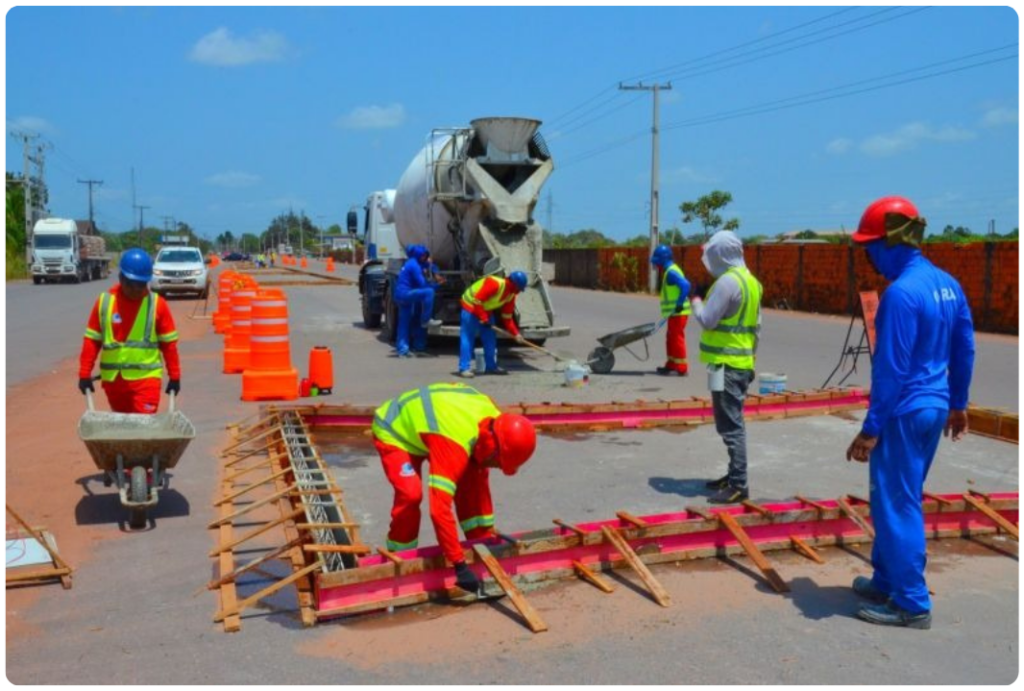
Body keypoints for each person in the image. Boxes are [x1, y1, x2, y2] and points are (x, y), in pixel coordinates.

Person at [845, 196, 975, 630]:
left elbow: (891, 367)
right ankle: (886, 579)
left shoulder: (901, 294)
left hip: (903, 411)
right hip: (934, 408)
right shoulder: (947, 284)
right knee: (897, 499)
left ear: (890, 243)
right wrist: (958, 403)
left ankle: (912, 602)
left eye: (870, 247)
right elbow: (965, 349)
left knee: (897, 504)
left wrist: (871, 427)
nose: (869, 257)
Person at [372, 382, 538, 595]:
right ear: (491, 447)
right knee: (411, 494)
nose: (496, 468)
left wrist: (484, 545)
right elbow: (439, 509)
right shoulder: (455, 442)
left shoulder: (495, 423)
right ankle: (400, 559)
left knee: (476, 473)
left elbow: (479, 489)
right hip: (396, 430)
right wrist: (459, 565)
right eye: (497, 462)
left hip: (435, 428)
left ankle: (479, 539)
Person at [689, 231, 763, 505]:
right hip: (733, 364)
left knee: (731, 425)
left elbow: (707, 320)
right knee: (726, 420)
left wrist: (695, 299)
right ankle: (733, 475)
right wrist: (751, 362)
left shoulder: (727, 283)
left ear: (719, 254)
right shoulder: (751, 282)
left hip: (726, 366)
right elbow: (757, 328)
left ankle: (739, 485)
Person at [78, 248, 181, 414]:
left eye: (140, 285)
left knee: (143, 427)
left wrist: (174, 376)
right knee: (124, 430)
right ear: (120, 278)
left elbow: (169, 345)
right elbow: (92, 340)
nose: (135, 290)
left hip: (147, 381)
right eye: (130, 284)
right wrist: (84, 373)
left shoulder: (157, 305)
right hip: (114, 383)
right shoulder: (105, 303)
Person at [458, 271, 528, 378]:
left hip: (485, 311)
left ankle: (491, 367)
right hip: (470, 307)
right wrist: (483, 318)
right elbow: (477, 300)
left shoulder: (510, 295)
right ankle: (464, 368)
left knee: (490, 338)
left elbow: (507, 317)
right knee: (467, 337)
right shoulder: (494, 283)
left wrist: (516, 334)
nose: (519, 292)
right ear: (514, 284)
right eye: (519, 289)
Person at [394, 245, 442, 358]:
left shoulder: (413, 262)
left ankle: (403, 350)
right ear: (418, 255)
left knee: (404, 323)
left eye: (426, 255)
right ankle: (426, 320)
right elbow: (423, 285)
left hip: (401, 295)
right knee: (429, 292)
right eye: (424, 255)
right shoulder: (414, 266)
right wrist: (437, 285)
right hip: (405, 294)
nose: (425, 257)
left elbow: (430, 265)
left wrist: (435, 271)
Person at [651, 244, 692, 377]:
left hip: (679, 312)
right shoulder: (669, 271)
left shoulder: (671, 272)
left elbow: (686, 285)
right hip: (673, 313)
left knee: (676, 338)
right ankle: (672, 364)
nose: (656, 265)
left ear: (663, 259)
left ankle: (681, 367)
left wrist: (679, 303)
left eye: (657, 262)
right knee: (670, 338)